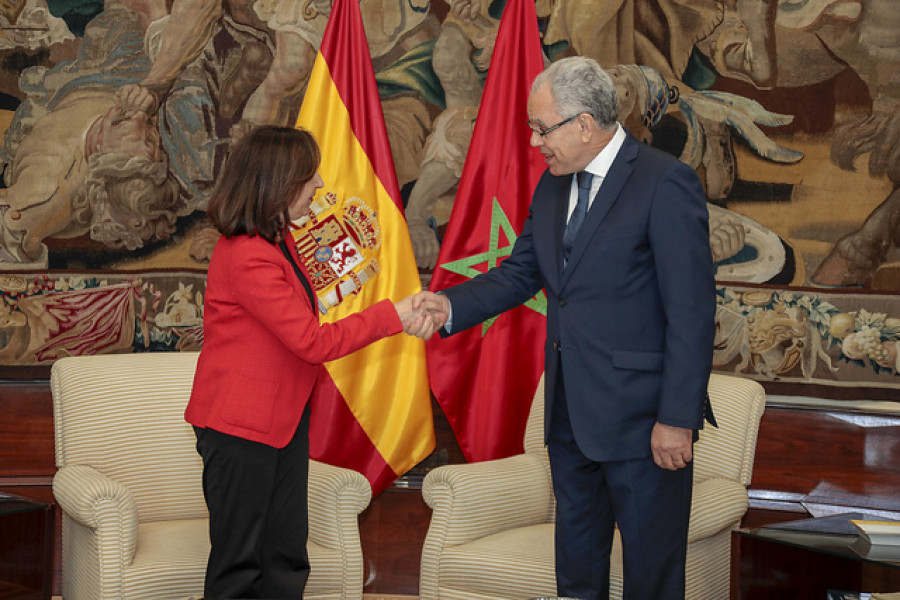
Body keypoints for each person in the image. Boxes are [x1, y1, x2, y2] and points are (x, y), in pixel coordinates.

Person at [414, 56, 716, 600]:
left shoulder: (664, 182)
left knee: (650, 579)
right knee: (576, 576)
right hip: (570, 418)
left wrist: (676, 418)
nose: (534, 142)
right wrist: (447, 306)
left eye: (541, 128)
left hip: (644, 425)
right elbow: (520, 272)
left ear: (583, 123)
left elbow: (691, 312)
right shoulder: (554, 186)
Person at [184, 125, 425, 599]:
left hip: (282, 421)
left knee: (285, 554)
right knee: (239, 567)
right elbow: (311, 342)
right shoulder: (248, 256)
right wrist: (391, 315)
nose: (318, 186)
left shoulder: (280, 242)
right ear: (276, 183)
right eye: (308, 177)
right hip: (240, 427)